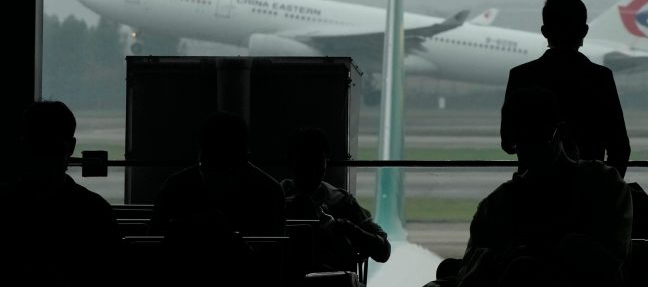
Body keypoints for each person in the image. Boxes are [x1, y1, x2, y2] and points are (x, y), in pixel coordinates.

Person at [429, 86, 633, 287]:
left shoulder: (496, 206)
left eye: (537, 140)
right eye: (522, 143)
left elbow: (609, 261)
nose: (530, 152)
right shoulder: (604, 186)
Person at [501, 0, 631, 177]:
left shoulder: (521, 76)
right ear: (584, 31)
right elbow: (620, 147)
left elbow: (508, 143)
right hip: (587, 193)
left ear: (544, 31)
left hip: (534, 193)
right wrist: (607, 190)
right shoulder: (600, 78)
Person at [149, 111, 286, 285]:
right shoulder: (268, 191)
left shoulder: (177, 187)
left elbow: (152, 249)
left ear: (201, 154)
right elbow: (271, 267)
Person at [0, 100, 123, 287]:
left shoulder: (5, 207)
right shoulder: (95, 211)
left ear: (23, 146)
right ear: (71, 147)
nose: (46, 158)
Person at [281, 127, 391, 274]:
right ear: (291, 162)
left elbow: (384, 250)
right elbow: (383, 250)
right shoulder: (340, 201)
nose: (312, 168)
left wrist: (348, 229)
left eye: (318, 160)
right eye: (305, 161)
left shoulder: (343, 201)